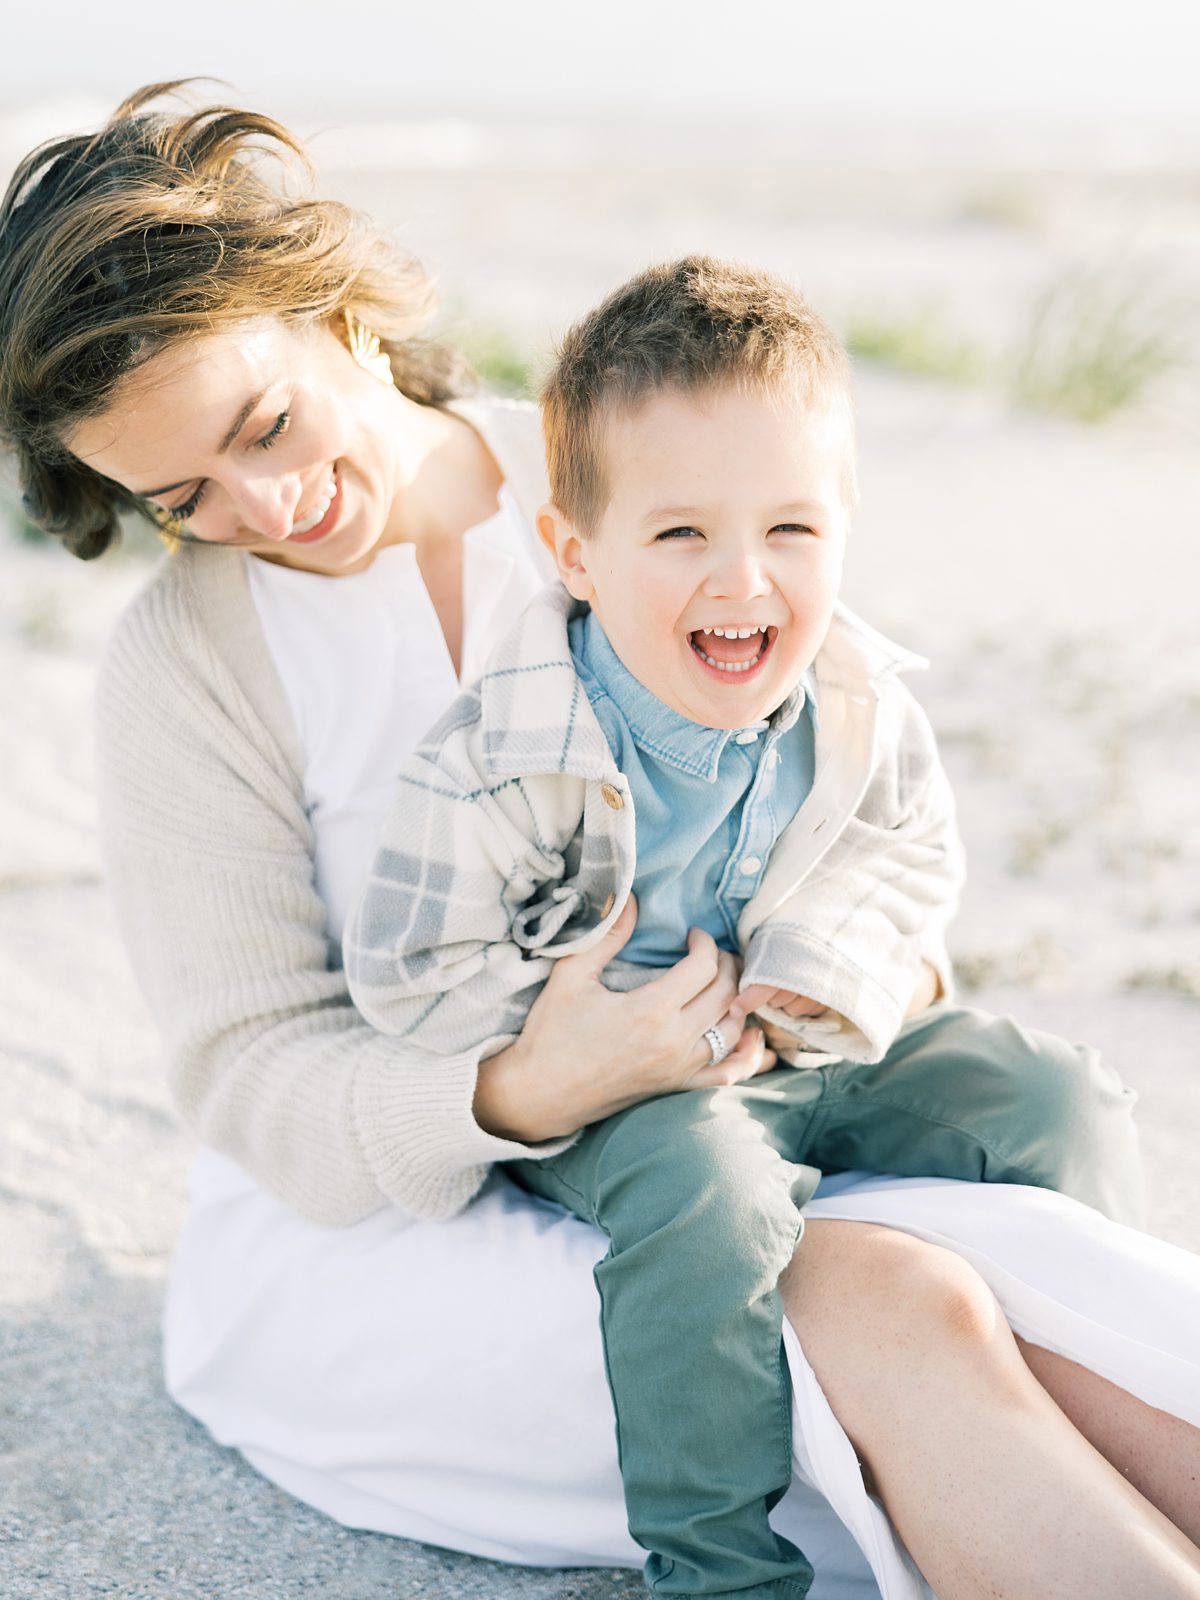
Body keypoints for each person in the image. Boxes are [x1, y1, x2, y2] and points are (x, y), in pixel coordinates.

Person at [2, 83, 1198, 1600]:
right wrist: (524, 1085)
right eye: (184, 497)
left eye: (267, 427)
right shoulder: (187, 670)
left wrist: (844, 982)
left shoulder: (640, 474)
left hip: (750, 1108)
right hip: (392, 1233)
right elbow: (250, 1072)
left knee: (1024, 1253)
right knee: (883, 1303)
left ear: (337, 309)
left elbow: (833, 777)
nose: (269, 503)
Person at [341, 256, 1146, 1598]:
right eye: (680, 536)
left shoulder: (859, 701)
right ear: (576, 555)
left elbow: (908, 861)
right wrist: (579, 1039)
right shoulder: (498, 755)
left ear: (843, 527)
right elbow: (410, 973)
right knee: (709, 1204)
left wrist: (826, 977)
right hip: (634, 1088)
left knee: (1051, 1098)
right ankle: (717, 1562)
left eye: (791, 530)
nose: (744, 580)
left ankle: (1094, 1378)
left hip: (813, 1031)